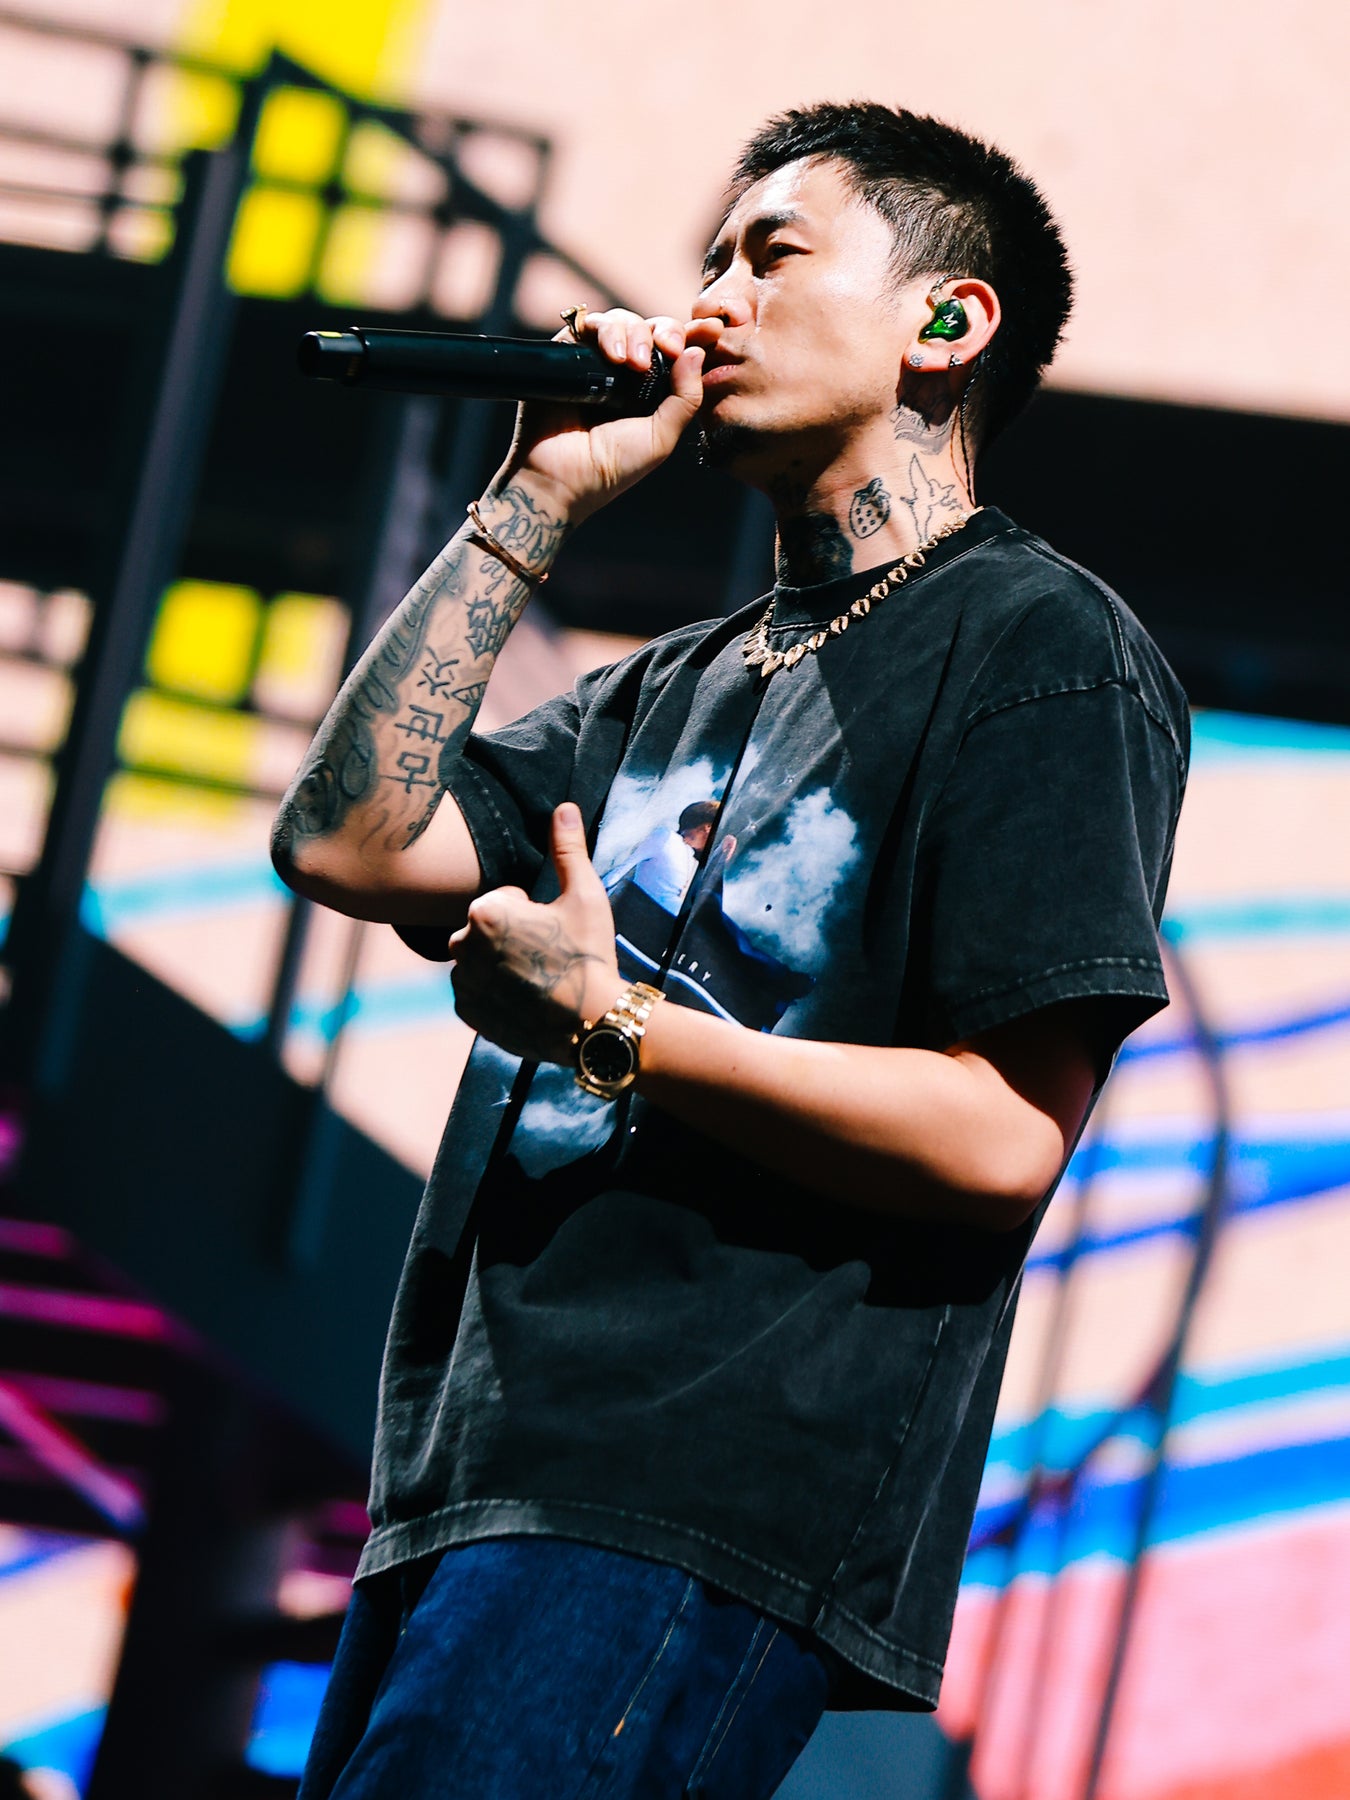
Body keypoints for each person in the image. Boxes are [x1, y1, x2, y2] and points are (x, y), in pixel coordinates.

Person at [272, 102, 1188, 1799]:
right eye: (705, 261)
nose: (707, 301)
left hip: (691, 1494)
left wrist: (608, 1023)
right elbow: (347, 841)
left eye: (769, 255)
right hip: (468, 1475)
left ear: (944, 320)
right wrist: (533, 493)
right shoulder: (665, 684)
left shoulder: (1041, 648)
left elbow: (1001, 1137)